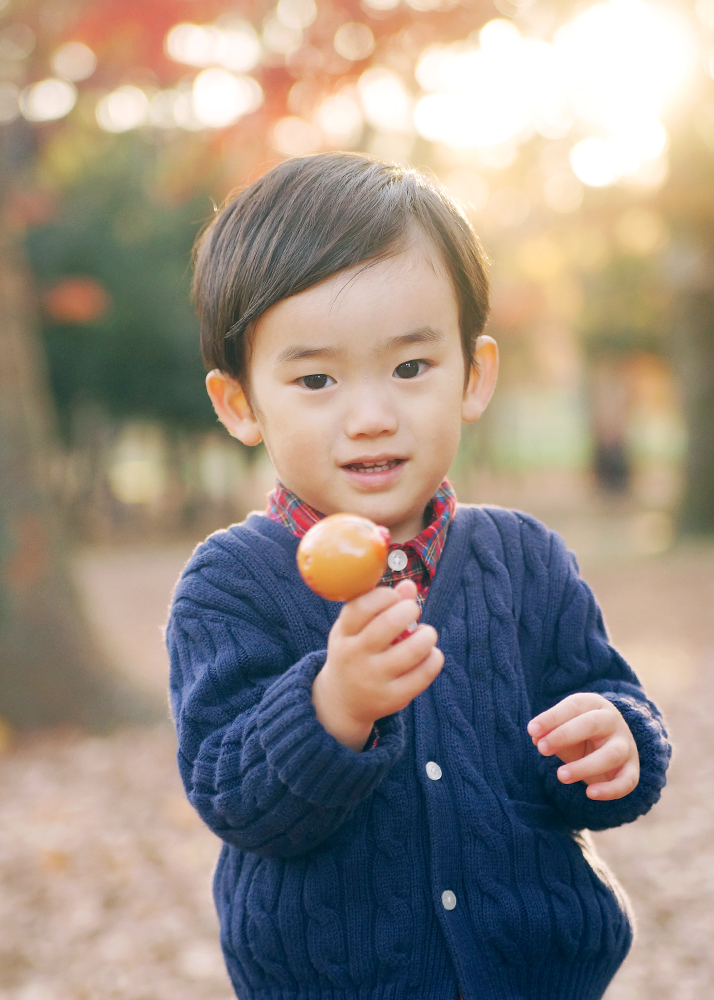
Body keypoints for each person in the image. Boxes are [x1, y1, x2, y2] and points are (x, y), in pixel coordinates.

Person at [166, 152, 671, 1000]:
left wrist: (617, 742)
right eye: (317, 379)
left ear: (473, 376)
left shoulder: (525, 561)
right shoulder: (230, 586)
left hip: (540, 979)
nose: (371, 416)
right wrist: (335, 707)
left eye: (410, 368)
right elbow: (233, 796)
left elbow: (604, 703)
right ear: (240, 404)